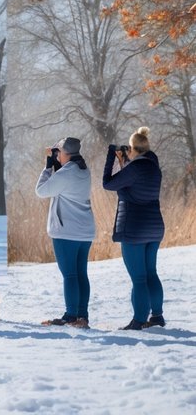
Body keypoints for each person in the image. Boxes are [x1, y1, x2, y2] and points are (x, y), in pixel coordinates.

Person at [103, 126, 165, 330]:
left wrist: (111, 157)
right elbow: (131, 181)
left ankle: (138, 320)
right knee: (151, 273)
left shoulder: (135, 169)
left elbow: (108, 184)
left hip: (134, 228)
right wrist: (125, 162)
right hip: (154, 227)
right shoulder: (153, 167)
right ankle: (156, 317)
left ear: (132, 148)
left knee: (138, 278)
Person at [35, 136, 95, 328]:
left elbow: (41, 191)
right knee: (80, 274)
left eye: (58, 152)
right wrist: (58, 165)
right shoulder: (83, 170)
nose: (56, 155)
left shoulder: (65, 173)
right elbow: (66, 184)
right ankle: (82, 316)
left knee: (70, 275)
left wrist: (47, 167)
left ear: (65, 153)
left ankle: (70, 316)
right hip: (84, 231)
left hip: (66, 232)